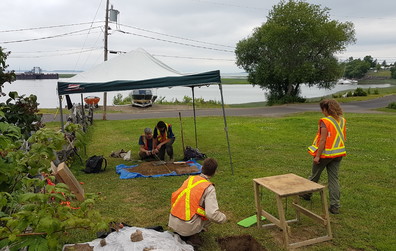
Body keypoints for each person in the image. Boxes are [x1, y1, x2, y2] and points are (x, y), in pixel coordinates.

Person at [168, 158, 226, 246]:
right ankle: (192, 235)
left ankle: (187, 230)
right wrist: (223, 218)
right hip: (186, 226)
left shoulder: (190, 179)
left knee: (197, 207)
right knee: (208, 215)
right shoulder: (209, 188)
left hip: (173, 220)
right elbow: (212, 214)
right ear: (214, 172)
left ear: (202, 168)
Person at [303, 99, 347, 214]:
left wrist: (317, 156)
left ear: (325, 109)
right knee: (334, 179)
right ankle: (335, 206)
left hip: (325, 154)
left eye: (322, 109)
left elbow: (322, 140)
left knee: (314, 175)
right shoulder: (342, 120)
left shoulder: (325, 121)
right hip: (338, 154)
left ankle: (307, 194)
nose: (322, 112)